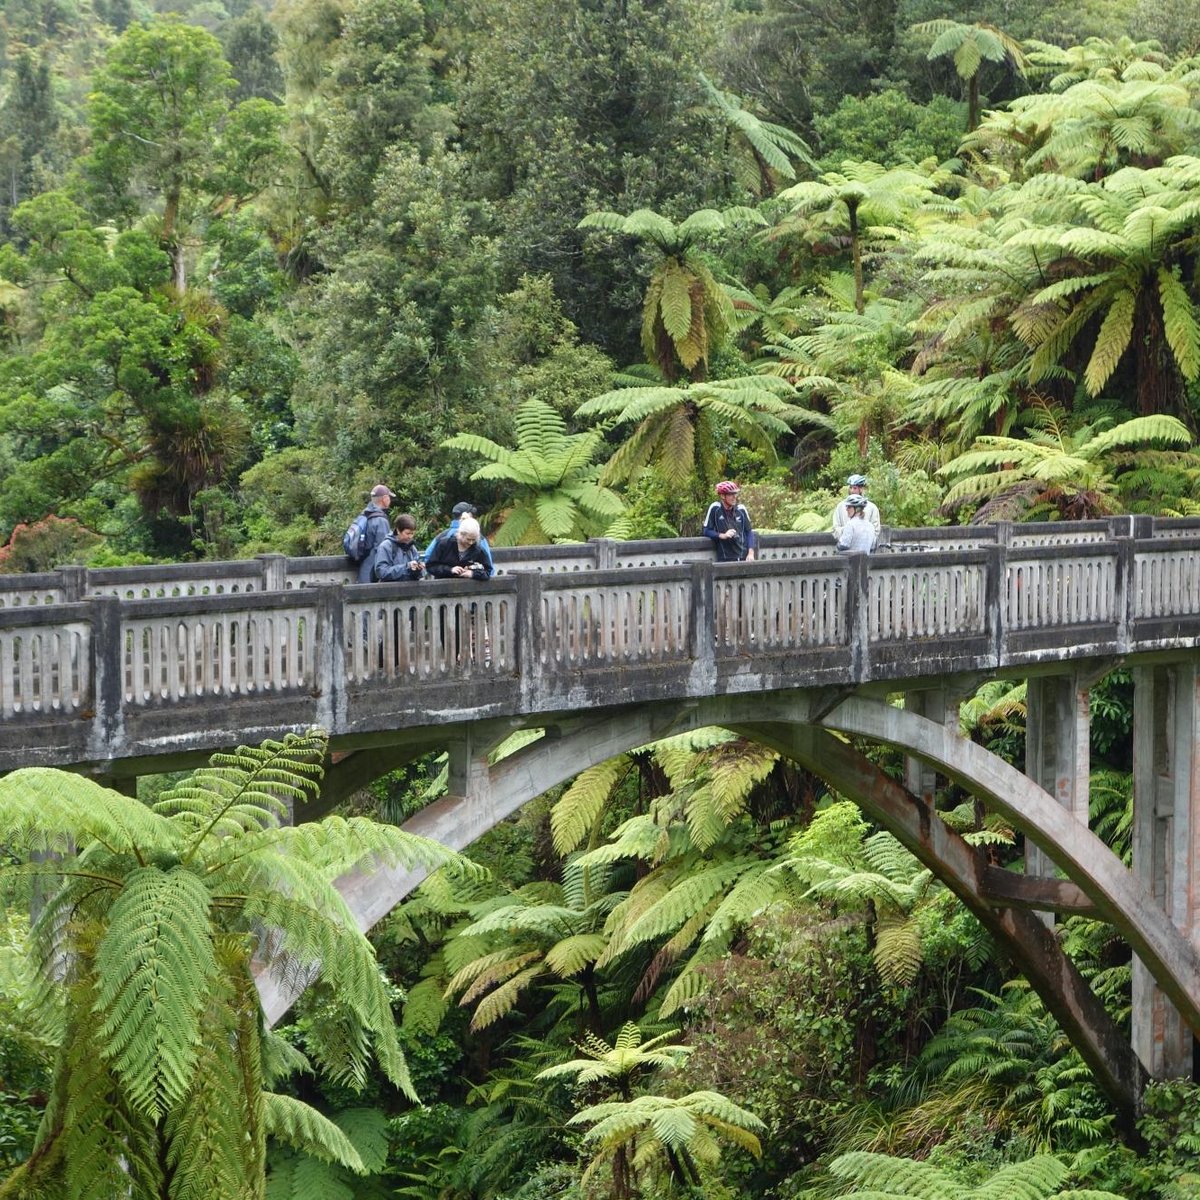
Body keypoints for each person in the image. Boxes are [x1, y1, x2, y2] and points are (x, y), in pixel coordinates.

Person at [425, 501, 495, 574]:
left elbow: (428, 557)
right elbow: (490, 568)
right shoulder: (479, 538)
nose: (470, 543)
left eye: (473, 540)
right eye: (468, 539)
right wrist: (450, 570)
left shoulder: (441, 536)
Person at [703, 481, 756, 562]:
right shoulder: (715, 508)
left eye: (735, 494)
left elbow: (749, 532)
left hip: (743, 557)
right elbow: (706, 531)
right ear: (722, 496)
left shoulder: (741, 509)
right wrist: (722, 535)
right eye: (731, 494)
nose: (734, 497)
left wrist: (751, 553)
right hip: (725, 557)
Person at [354, 484, 395, 582]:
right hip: (372, 571)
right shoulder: (381, 520)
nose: (390, 500)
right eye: (389, 497)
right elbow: (383, 548)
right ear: (384, 499)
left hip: (363, 566)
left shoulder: (365, 514)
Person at [372, 512, 426, 582]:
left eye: (412, 533)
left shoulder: (412, 547)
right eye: (407, 533)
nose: (410, 537)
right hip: (391, 590)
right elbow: (381, 572)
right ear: (398, 530)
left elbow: (420, 575)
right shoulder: (386, 546)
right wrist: (406, 567)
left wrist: (418, 569)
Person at [832, 474, 880, 542]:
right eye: (850, 487)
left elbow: (876, 531)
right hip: (845, 548)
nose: (852, 490)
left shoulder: (872, 508)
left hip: (865, 548)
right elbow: (835, 528)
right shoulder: (841, 506)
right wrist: (847, 532)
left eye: (854, 488)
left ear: (861, 489)